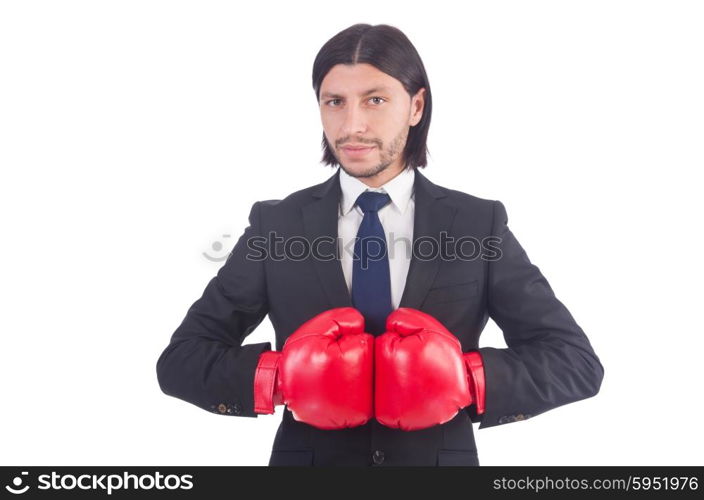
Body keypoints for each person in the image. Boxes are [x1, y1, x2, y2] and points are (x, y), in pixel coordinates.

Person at [156, 23, 604, 467]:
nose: (352, 125)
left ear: (416, 106)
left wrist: (468, 380)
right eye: (335, 102)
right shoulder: (277, 224)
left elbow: (575, 362)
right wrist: (279, 378)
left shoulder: (477, 225)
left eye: (375, 99)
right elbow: (182, 359)